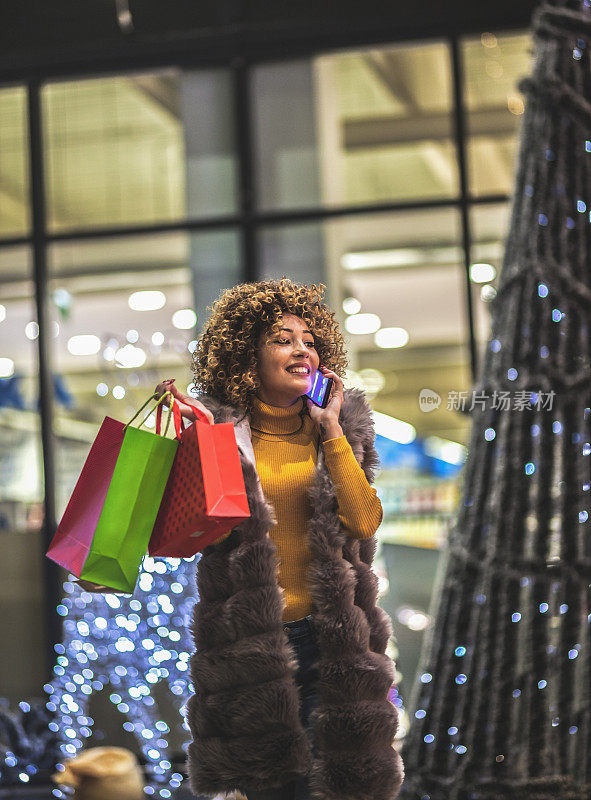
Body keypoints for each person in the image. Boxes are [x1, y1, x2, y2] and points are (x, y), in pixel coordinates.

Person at [155, 278, 403, 800]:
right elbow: (187, 532)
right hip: (251, 645)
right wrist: (191, 442)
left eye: (310, 340)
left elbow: (364, 521)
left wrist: (332, 430)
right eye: (282, 339)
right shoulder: (222, 432)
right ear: (247, 356)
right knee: (274, 788)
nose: (301, 350)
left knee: (346, 784)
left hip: (334, 640)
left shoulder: (339, 431)